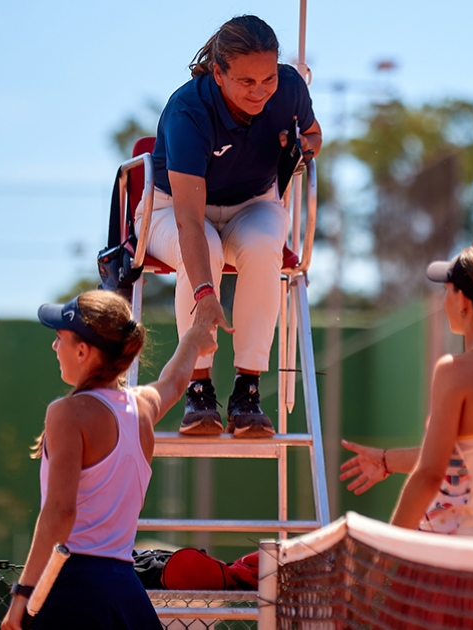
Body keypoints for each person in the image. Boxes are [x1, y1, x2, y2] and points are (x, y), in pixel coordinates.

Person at [140, 14, 323, 438]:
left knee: (263, 247)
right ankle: (198, 388)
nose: (260, 92)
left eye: (268, 79)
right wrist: (206, 293)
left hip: (253, 203)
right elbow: (188, 218)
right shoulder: (188, 110)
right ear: (218, 73)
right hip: (177, 210)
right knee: (206, 247)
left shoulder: (291, 88)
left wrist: (302, 151)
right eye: (246, 82)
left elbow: (314, 135)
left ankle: (248, 390)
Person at [1, 290, 216, 630]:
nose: (54, 348)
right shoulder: (141, 406)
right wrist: (194, 339)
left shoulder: (66, 413)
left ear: (83, 351)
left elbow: (60, 513)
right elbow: (174, 383)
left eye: (60, 339)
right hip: (125, 592)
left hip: (72, 591)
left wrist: (22, 595)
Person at [341, 239, 473, 537]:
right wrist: (387, 461)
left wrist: (383, 558)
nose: (443, 300)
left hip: (450, 570)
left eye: (447, 290)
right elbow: (466, 462)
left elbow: (430, 475)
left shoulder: (455, 371)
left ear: (463, 300)